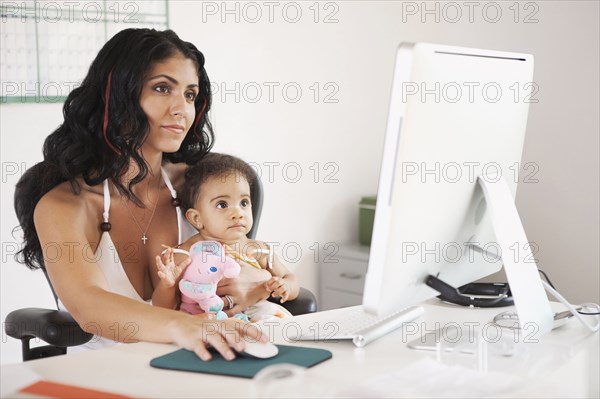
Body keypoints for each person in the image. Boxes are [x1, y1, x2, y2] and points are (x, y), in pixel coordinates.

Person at [13, 28, 273, 361]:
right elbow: (87, 304)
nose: (182, 109)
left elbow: (256, 262)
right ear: (117, 95)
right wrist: (184, 327)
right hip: (110, 372)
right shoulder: (65, 205)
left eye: (191, 95)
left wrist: (257, 282)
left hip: (211, 360)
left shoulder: (203, 186)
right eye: (163, 88)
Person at [154, 153, 299, 322]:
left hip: (256, 318)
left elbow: (291, 280)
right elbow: (161, 308)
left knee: (277, 324)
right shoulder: (186, 254)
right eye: (222, 204)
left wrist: (285, 286)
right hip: (205, 321)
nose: (238, 213)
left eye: (244, 203)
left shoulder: (258, 250)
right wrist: (167, 286)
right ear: (196, 218)